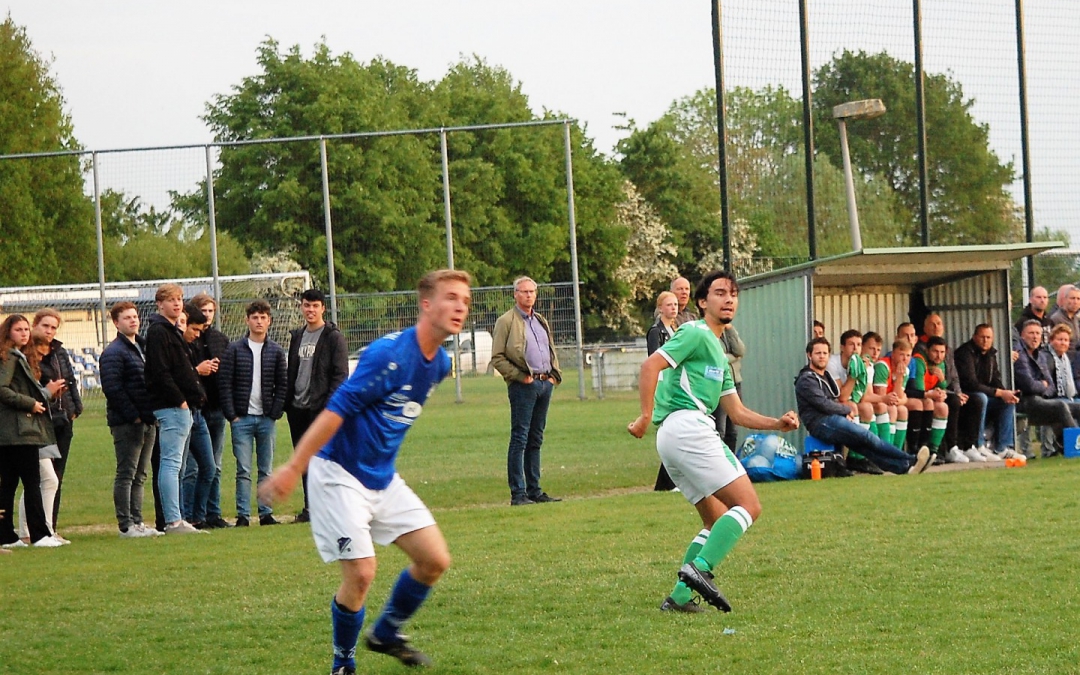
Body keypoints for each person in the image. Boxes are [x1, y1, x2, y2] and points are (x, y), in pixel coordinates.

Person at [259, 269, 472, 672]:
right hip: (338, 474)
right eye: (451, 297)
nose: (460, 306)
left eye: (465, 300)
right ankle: (343, 663)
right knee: (361, 573)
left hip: (382, 477)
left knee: (434, 560)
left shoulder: (439, 364)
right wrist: (293, 467)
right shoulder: (388, 355)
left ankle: (387, 632)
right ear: (426, 304)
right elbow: (336, 410)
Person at [628, 270, 799, 614]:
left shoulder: (719, 354)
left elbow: (736, 412)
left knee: (715, 518)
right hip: (688, 428)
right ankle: (700, 569)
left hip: (675, 437)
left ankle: (678, 597)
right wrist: (645, 415)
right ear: (703, 302)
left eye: (733, 293)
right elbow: (650, 366)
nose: (729, 298)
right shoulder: (694, 332)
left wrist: (776, 425)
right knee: (749, 506)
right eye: (720, 293)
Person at [796, 337, 934, 476]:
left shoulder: (824, 375)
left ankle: (905, 468)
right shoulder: (807, 379)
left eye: (825, 353)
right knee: (868, 437)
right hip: (821, 422)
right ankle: (911, 460)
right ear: (809, 355)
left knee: (863, 447)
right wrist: (846, 410)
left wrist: (843, 410)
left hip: (829, 420)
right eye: (818, 353)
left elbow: (835, 398)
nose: (822, 357)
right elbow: (823, 404)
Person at [491, 276, 562, 506]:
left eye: (532, 291)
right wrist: (521, 377)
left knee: (536, 438)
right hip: (523, 386)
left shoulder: (540, 320)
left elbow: (550, 349)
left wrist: (553, 377)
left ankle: (535, 490)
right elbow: (498, 358)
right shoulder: (506, 321)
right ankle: (518, 493)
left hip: (544, 383)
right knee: (520, 438)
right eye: (524, 291)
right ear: (515, 294)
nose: (529, 295)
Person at [144, 283, 207, 535]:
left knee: (177, 465)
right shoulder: (159, 332)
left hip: (180, 406)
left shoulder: (171, 331)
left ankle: (178, 518)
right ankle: (172, 520)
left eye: (180, 299)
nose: (177, 303)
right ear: (160, 304)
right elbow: (160, 371)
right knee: (170, 464)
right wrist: (180, 400)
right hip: (171, 407)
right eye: (171, 300)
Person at [219, 300, 288, 526]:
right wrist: (232, 415)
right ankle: (242, 515)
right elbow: (225, 383)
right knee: (243, 469)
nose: (259, 322)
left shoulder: (276, 351)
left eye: (263, 317)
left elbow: (282, 384)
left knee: (266, 468)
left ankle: (266, 512)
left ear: (269, 321)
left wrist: (275, 412)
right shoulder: (235, 349)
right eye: (254, 317)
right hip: (242, 418)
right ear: (247, 320)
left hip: (266, 418)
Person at [284, 288, 349, 524]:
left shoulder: (333, 337)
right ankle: (310, 508)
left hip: (321, 410)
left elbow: (340, 375)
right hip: (298, 409)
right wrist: (287, 403)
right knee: (303, 460)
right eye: (306, 305)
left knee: (324, 460)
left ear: (323, 308)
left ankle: (331, 508)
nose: (310, 310)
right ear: (301, 307)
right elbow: (292, 372)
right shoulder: (297, 337)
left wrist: (329, 408)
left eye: (315, 305)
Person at [0, 315, 62, 548]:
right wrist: (32, 403)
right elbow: (2, 390)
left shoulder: (14, 356)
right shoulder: (10, 357)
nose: (24, 333)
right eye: (18, 329)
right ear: (8, 332)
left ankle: (6, 535)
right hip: (19, 430)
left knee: (8, 484)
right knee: (32, 481)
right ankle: (39, 534)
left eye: (26, 329)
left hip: (11, 431)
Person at [100, 301, 160, 538]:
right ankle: (125, 524)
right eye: (127, 317)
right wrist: (133, 416)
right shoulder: (114, 352)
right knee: (126, 472)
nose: (133, 320)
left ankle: (138, 521)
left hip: (148, 419)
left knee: (141, 474)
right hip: (127, 423)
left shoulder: (142, 348)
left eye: (135, 316)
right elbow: (113, 389)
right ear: (116, 322)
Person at [31, 308, 82, 534]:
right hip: (43, 421)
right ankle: (38, 528)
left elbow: (69, 381)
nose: (49, 331)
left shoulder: (59, 351)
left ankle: (51, 526)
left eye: (53, 327)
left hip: (63, 420)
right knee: (43, 476)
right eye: (45, 326)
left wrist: (75, 408)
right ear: (36, 326)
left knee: (56, 476)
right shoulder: (29, 353)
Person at [189, 292, 231, 529]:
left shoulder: (220, 339)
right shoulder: (189, 339)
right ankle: (194, 513)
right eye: (202, 311)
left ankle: (213, 513)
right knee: (194, 467)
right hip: (197, 409)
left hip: (217, 409)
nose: (206, 315)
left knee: (215, 465)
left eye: (210, 311)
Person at [177, 304, 218, 529]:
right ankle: (180, 517)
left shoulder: (193, 347)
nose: (197, 334)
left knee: (209, 467)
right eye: (194, 329)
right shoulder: (175, 346)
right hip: (181, 412)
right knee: (182, 469)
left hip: (197, 413)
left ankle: (198, 517)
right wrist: (197, 370)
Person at [953, 324, 1021, 459]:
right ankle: (979, 445)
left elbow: (995, 379)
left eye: (988, 337)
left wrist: (1007, 394)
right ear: (974, 337)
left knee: (1007, 402)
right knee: (981, 398)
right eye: (982, 337)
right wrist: (999, 393)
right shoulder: (965, 353)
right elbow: (970, 383)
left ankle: (1002, 447)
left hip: (985, 395)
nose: (985, 340)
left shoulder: (991, 355)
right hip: (967, 396)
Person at [1014, 319, 1080, 455]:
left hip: (1041, 399)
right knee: (1060, 406)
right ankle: (1075, 446)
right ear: (1022, 336)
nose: (1035, 336)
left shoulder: (1040, 356)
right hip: (1024, 401)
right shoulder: (1020, 355)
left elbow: (1051, 387)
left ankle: (1065, 446)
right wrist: (1042, 385)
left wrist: (1043, 387)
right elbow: (1028, 385)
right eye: (1031, 333)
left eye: (1038, 333)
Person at [648, 290, 680, 492]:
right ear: (660, 308)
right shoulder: (656, 332)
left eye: (675, 304)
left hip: (674, 385)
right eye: (669, 304)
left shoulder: (676, 330)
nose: (673, 308)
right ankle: (667, 482)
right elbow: (654, 360)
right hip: (663, 385)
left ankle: (666, 482)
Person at [1049, 286, 1080, 351]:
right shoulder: (1056, 319)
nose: (1075, 302)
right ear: (1065, 299)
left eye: (1078, 299)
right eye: (1072, 298)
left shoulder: (1076, 319)